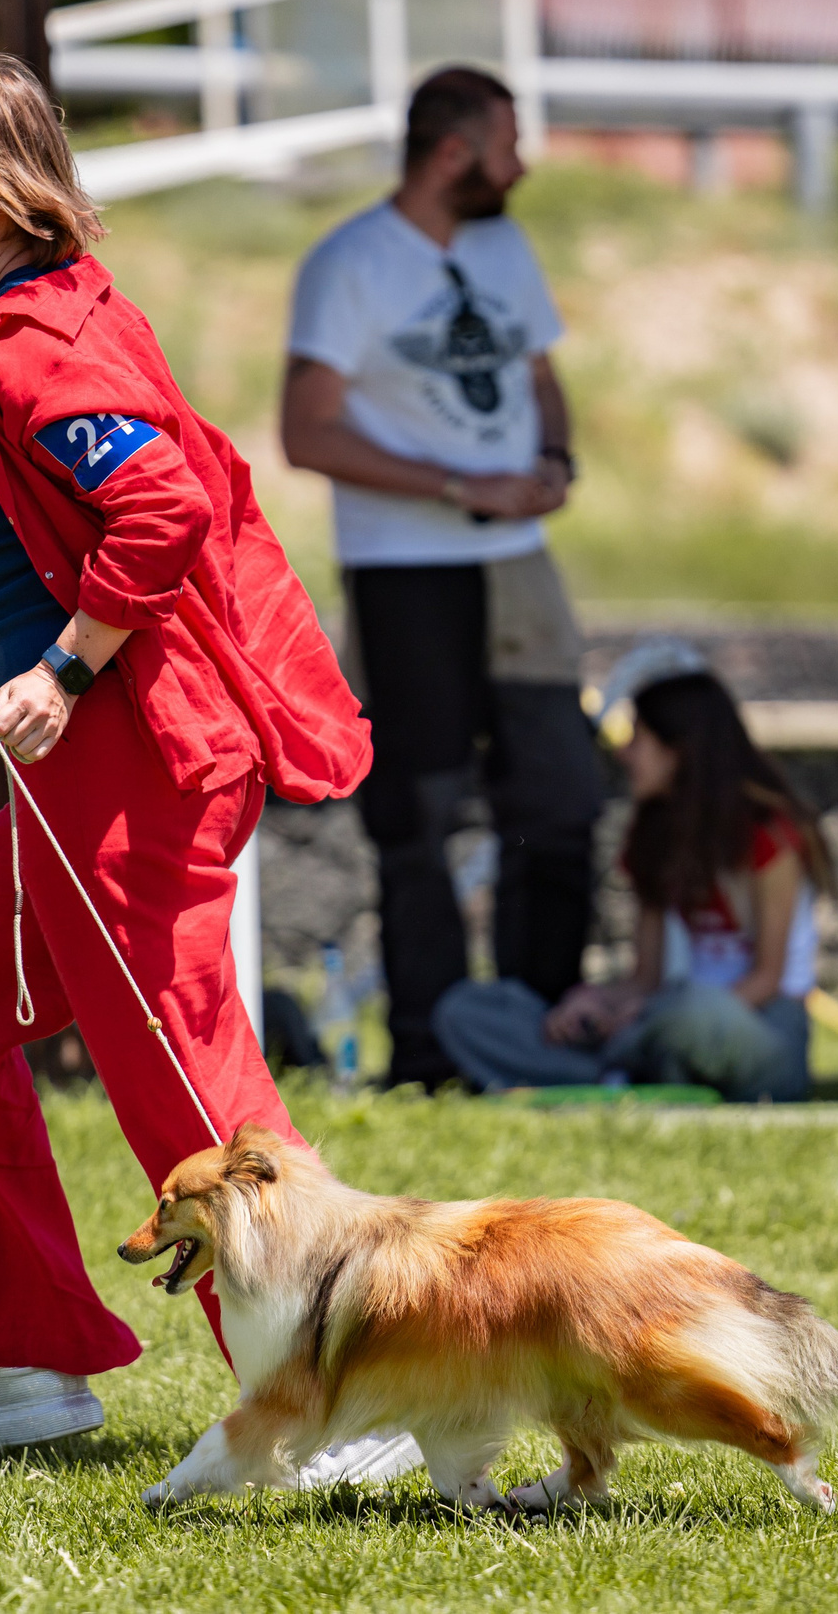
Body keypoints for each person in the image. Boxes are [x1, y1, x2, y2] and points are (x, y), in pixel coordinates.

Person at [0, 49, 385, 1473]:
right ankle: (29, 1351)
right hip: (80, 784)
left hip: (130, 768)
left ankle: (337, 1397)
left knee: (189, 1092)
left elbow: (156, 510)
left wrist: (64, 666)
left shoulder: (33, 342)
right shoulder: (41, 317)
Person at [280, 66, 604, 1090]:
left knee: (558, 798)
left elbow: (540, 380)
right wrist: (457, 483)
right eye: (508, 143)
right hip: (404, 570)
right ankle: (427, 1051)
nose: (523, 164)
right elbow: (305, 429)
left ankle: (541, 1033)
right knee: (415, 817)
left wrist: (552, 463)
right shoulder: (350, 264)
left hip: (516, 566)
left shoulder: (505, 247)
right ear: (453, 153)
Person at [432, 669, 825, 1102]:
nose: (623, 753)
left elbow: (767, 979)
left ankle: (613, 1075)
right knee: (468, 1010)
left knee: (692, 1014)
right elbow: (646, 977)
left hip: (756, 1027)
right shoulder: (653, 834)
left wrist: (651, 1014)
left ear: (680, 750)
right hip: (661, 1022)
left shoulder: (769, 834)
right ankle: (628, 1078)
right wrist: (593, 1003)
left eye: (638, 738)